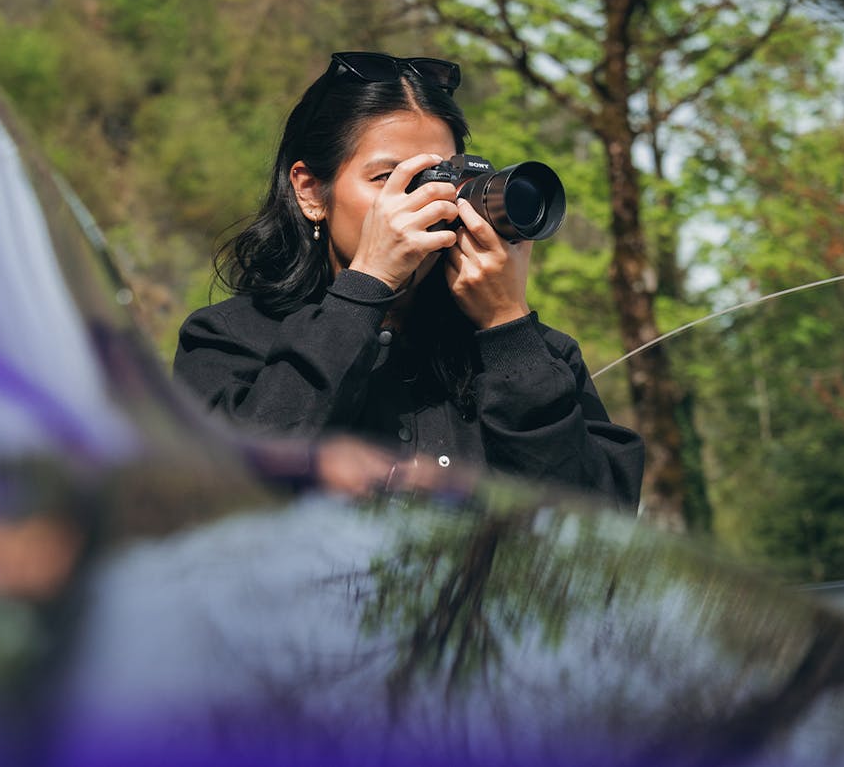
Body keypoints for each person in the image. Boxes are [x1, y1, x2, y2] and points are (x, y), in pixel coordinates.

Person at [172, 51, 643, 509]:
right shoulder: (230, 337)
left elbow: (597, 532)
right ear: (311, 191)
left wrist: (507, 327)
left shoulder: (539, 357)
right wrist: (365, 287)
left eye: (440, 176)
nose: (423, 201)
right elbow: (226, 492)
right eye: (387, 178)